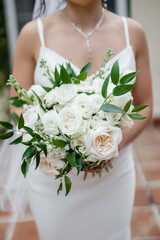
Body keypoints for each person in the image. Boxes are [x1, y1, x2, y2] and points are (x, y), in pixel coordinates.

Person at [10, 0, 153, 239]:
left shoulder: (133, 32)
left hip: (114, 176)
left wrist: (110, 145)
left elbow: (145, 104)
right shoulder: (34, 34)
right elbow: (17, 106)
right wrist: (54, 144)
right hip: (54, 183)